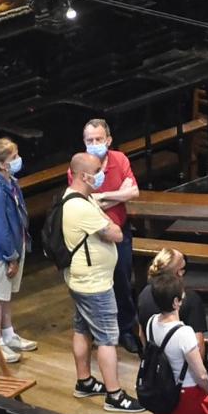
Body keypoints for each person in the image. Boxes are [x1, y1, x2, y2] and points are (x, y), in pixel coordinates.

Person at [63, 152, 144, 413]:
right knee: (108, 338)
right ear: (85, 175)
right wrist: (107, 219)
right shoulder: (82, 206)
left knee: (82, 329)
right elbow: (117, 233)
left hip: (82, 279)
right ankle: (114, 395)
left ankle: (84, 381)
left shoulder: (76, 197)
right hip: (94, 284)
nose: (102, 174)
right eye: (98, 170)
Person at [68, 118, 141, 355]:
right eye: (89, 140)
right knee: (99, 286)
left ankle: (127, 330)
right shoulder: (78, 166)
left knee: (122, 279)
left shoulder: (120, 159)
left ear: (108, 140)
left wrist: (104, 197)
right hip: (93, 236)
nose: (94, 144)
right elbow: (88, 201)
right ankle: (98, 331)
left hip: (120, 230)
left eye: (99, 139)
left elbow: (134, 192)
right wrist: (119, 194)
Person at [145, 272, 208, 414]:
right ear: (176, 302)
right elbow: (201, 374)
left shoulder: (151, 323)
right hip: (188, 394)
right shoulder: (185, 333)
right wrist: (207, 391)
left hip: (165, 391)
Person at [0, 137, 37, 364]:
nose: (18, 160)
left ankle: (9, 333)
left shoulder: (10, 181)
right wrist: (11, 257)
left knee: (7, 295)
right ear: (2, 164)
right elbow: (0, 229)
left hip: (15, 245)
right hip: (4, 252)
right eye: (14, 157)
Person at [137, 248, 207, 356]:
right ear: (180, 272)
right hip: (182, 366)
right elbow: (198, 347)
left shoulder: (143, 294)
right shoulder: (191, 299)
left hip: (155, 365)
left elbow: (142, 334)